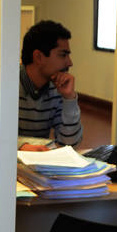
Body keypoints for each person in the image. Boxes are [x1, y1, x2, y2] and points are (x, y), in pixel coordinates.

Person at [18, 20, 83, 149]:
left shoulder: (57, 88)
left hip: (39, 159)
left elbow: (69, 145)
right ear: (38, 57)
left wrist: (69, 98)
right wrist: (20, 146)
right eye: (63, 55)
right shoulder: (7, 85)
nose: (70, 63)